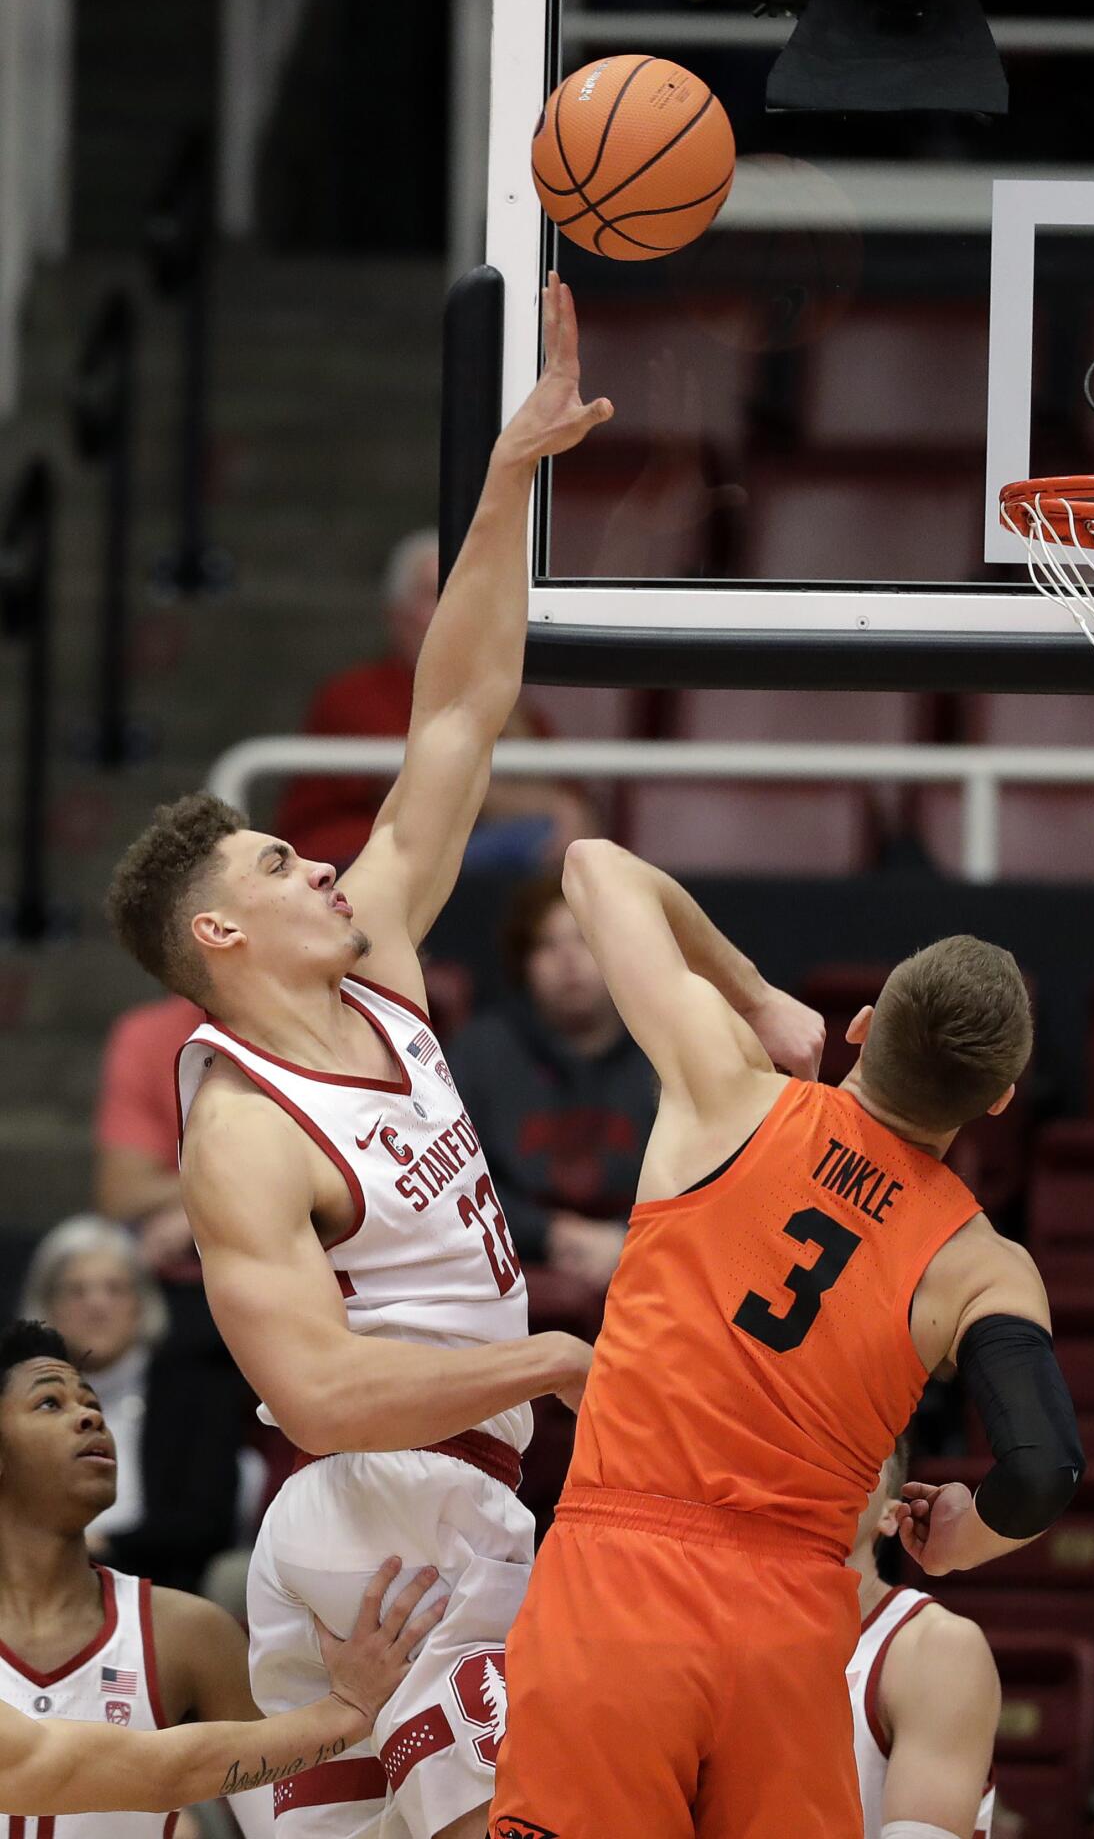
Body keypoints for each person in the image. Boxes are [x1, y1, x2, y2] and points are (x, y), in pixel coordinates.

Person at [104, 275, 609, 1839]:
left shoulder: (379, 958)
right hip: (385, 1508)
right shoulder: (246, 1128)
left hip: (439, 1496)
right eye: (272, 867)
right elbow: (317, 1392)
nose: (316, 867)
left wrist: (508, 482)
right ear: (220, 945)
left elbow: (458, 709)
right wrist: (561, 1357)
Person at [490, 840, 1084, 1839]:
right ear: (994, 1101)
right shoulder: (983, 1264)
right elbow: (1041, 1471)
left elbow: (593, 866)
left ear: (860, 1028)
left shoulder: (726, 1089)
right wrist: (962, 1536)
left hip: (617, 1583)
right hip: (792, 1626)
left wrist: (754, 992)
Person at [0, 1319, 444, 1829]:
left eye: (93, 1404)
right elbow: (158, 1772)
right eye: (49, 1403)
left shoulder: (190, 1633)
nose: (88, 1418)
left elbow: (286, 1823)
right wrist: (343, 1709)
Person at [275, 528, 595, 873]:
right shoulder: (353, 693)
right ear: (396, 614)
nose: (454, 609)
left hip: (457, 859)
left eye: (466, 594)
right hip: (348, 860)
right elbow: (427, 788)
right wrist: (552, 807)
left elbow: (567, 791)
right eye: (434, 594)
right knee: (539, 835)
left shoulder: (500, 695)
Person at [20, 1216, 252, 1595]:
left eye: (115, 1289)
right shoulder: (16, 1394)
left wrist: (101, 1546)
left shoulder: (198, 1389)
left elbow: (206, 1522)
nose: (97, 1306)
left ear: (141, 1303)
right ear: (47, 1306)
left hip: (161, 1581)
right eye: (77, 1291)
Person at [448, 873, 657, 1292]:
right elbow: (454, 1179)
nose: (568, 960)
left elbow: (709, 1177)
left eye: (585, 939)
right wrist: (549, 1232)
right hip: (510, 1264)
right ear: (523, 962)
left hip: (652, 1256)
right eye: (546, 944)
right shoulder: (480, 1049)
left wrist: (628, 1239)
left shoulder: (666, 1048)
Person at [848, 1443, 999, 1839]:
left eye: (850, 1450)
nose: (823, 1469)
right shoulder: (725, 1634)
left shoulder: (934, 1646)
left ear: (890, 1514)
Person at [94, 995, 202, 1279]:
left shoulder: (319, 1027)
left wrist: (205, 1217)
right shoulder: (150, 1033)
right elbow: (123, 1193)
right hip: (167, 1267)